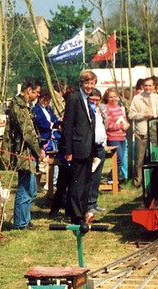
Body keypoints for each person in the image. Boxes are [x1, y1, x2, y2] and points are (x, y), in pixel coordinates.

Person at [5, 77, 45, 230]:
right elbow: (27, 133)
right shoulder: (19, 107)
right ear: (29, 90)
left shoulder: (24, 106)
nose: (37, 96)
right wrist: (38, 150)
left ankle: (25, 220)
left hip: (28, 151)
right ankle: (20, 223)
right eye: (37, 93)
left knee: (31, 187)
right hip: (23, 151)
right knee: (25, 187)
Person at [62, 70, 96, 226]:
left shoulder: (88, 100)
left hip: (88, 147)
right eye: (87, 83)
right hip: (77, 147)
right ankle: (76, 215)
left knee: (86, 182)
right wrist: (68, 150)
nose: (89, 86)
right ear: (81, 83)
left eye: (92, 83)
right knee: (77, 183)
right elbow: (68, 125)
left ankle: (82, 212)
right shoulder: (74, 98)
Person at [49, 84, 76, 218]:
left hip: (71, 151)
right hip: (66, 153)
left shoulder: (73, 113)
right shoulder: (67, 114)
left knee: (68, 184)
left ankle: (68, 210)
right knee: (63, 184)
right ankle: (55, 210)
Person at [128, 76, 158, 187]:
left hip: (155, 131)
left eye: (150, 85)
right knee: (139, 159)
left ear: (153, 86)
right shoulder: (137, 98)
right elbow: (131, 114)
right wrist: (144, 116)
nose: (147, 88)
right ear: (142, 86)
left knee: (155, 157)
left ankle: (155, 180)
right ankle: (138, 181)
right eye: (145, 85)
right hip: (142, 131)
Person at [86, 88, 107, 217]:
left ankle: (94, 203)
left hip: (100, 146)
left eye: (97, 100)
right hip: (91, 147)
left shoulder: (99, 111)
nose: (95, 102)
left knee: (97, 177)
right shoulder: (87, 111)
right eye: (92, 99)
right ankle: (88, 205)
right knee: (90, 176)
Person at [102, 87, 129, 184]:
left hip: (122, 136)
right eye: (110, 97)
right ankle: (111, 179)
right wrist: (119, 126)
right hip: (113, 137)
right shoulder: (106, 109)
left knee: (121, 160)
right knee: (119, 160)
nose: (113, 99)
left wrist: (125, 125)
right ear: (107, 98)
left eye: (114, 97)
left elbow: (124, 120)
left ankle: (114, 179)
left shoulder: (118, 108)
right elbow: (108, 125)